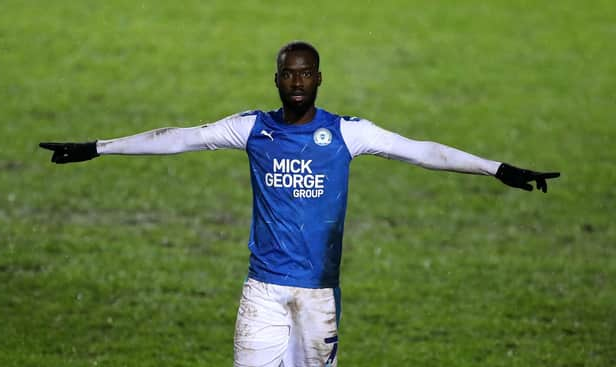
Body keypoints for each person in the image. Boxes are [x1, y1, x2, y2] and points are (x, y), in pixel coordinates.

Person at [40, 41, 559, 367]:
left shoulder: (347, 134)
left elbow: (421, 151)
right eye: (288, 73)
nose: (296, 82)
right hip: (262, 291)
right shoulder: (252, 129)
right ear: (276, 79)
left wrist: (496, 168)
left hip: (317, 296)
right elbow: (179, 137)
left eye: (305, 73)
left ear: (318, 79)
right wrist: (97, 148)